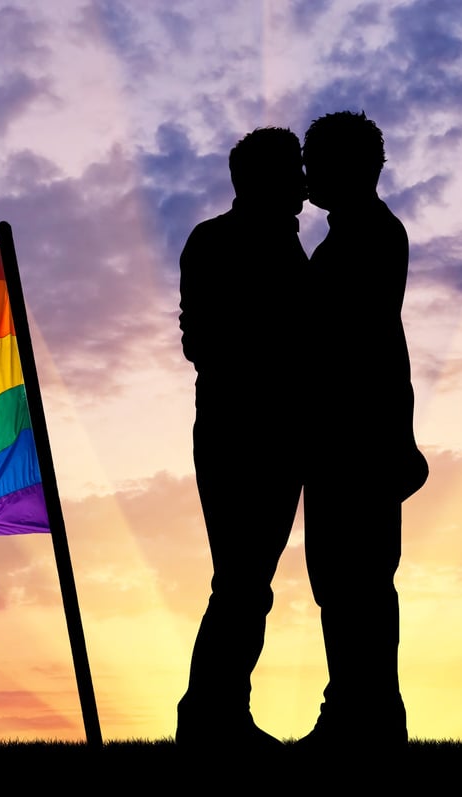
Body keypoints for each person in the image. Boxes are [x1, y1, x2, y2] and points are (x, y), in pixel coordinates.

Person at [296, 110, 428, 753]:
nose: (305, 174)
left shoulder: (368, 236)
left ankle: (364, 716)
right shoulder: (356, 233)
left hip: (357, 439)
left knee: (358, 582)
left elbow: (345, 341)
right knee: (346, 581)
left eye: (315, 160)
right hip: (349, 436)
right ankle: (355, 710)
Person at [175, 126, 309, 755]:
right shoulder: (220, 241)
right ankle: (210, 717)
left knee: (247, 581)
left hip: (275, 431)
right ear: (264, 179)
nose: (306, 188)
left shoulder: (283, 242)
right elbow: (200, 340)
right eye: (294, 174)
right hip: (238, 431)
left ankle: (219, 714)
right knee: (241, 580)